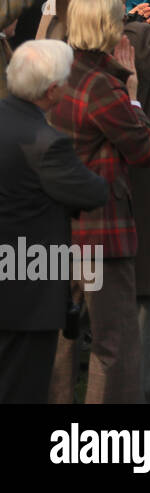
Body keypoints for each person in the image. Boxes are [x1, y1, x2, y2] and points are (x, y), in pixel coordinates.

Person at [47, 0, 150, 404]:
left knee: (62, 336)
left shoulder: (54, 73)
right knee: (114, 342)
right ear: (110, 27)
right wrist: (132, 95)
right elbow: (145, 150)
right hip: (99, 231)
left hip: (55, 225)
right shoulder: (103, 88)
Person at [0, 40, 107, 403]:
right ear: (52, 90)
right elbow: (93, 192)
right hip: (27, 292)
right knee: (22, 388)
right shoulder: (47, 143)